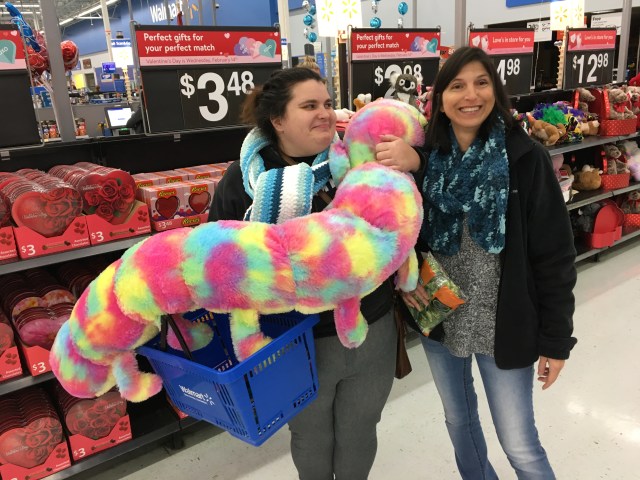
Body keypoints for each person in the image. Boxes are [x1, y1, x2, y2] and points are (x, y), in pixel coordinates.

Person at [385, 46, 578, 479]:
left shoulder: (524, 159)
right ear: (440, 99)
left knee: (520, 444)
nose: (470, 95)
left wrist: (556, 340)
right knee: (460, 423)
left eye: (481, 82)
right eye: (457, 86)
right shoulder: (426, 160)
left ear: (496, 91)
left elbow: (555, 256)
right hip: (440, 316)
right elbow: (400, 232)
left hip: (503, 324)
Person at [208, 67, 396, 480]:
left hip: (370, 325)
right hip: (295, 338)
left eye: (327, 104)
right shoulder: (245, 181)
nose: (324, 113)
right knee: (310, 435)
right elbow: (218, 262)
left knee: (361, 427)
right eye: (309, 105)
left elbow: (396, 219)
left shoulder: (356, 159)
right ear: (277, 119)